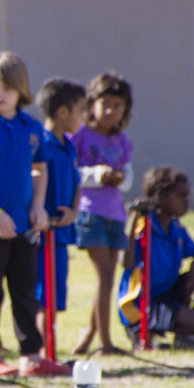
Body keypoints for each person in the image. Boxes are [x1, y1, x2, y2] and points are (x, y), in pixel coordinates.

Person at [0, 52, 69, 378]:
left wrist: (38, 206)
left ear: (20, 89)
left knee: (25, 290)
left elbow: (39, 169)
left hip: (25, 225)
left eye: (7, 87)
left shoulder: (32, 128)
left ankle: (31, 356)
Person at [118, 166, 194, 349]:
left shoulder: (176, 227)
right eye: (181, 196)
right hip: (143, 304)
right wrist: (134, 216)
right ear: (161, 197)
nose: (187, 201)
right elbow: (125, 261)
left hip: (168, 296)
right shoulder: (143, 224)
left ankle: (186, 334)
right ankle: (148, 333)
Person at [70, 72, 134, 355]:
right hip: (89, 213)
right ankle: (105, 344)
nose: (110, 111)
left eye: (117, 106)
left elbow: (129, 176)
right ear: (91, 103)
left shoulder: (121, 141)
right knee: (105, 277)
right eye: (105, 103)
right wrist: (97, 174)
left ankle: (90, 334)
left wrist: (121, 177)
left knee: (106, 279)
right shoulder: (80, 136)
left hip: (115, 215)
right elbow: (71, 173)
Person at [34, 78, 87, 347]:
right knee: (41, 297)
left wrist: (74, 210)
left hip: (63, 232)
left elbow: (77, 182)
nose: (84, 118)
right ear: (62, 112)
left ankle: (50, 349)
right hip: (42, 235)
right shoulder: (40, 144)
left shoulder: (69, 145)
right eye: (81, 111)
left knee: (55, 296)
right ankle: (40, 351)